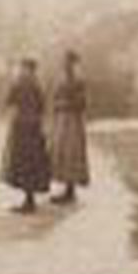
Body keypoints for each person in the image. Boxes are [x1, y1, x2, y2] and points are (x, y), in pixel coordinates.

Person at [0, 58, 50, 214]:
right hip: (34, 128)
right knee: (33, 162)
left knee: (23, 162)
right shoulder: (37, 84)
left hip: (22, 127)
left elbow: (8, 101)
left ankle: (29, 201)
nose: (22, 71)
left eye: (23, 68)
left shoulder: (19, 83)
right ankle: (30, 199)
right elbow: (43, 106)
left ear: (26, 69)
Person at [49, 50, 89, 204]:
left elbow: (82, 103)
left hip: (72, 121)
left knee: (71, 153)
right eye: (64, 61)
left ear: (73, 63)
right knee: (61, 152)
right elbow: (55, 96)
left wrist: (64, 104)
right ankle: (66, 188)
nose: (65, 64)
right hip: (62, 119)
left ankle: (70, 190)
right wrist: (57, 105)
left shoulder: (78, 80)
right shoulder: (63, 78)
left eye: (68, 61)